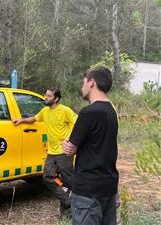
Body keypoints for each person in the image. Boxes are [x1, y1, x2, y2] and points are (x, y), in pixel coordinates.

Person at [62, 67, 119, 225]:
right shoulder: (111, 111)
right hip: (109, 186)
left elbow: (70, 149)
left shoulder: (88, 113)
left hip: (88, 190)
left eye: (83, 83)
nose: (82, 87)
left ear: (91, 82)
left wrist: (65, 145)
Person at [13, 87, 77, 216]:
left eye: (49, 96)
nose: (45, 97)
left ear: (56, 98)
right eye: (46, 95)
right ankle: (68, 200)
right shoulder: (45, 111)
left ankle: (68, 212)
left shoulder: (65, 110)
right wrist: (21, 120)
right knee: (48, 177)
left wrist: (70, 139)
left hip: (64, 151)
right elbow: (34, 119)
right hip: (52, 151)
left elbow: (77, 123)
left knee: (68, 181)